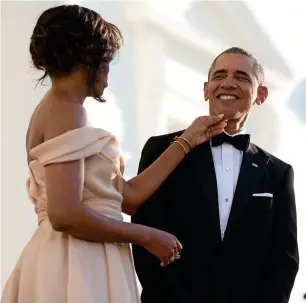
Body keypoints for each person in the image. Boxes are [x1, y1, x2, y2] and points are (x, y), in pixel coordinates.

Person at [1, 5, 227, 303]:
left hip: (86, 258)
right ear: (89, 58)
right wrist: (146, 237)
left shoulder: (60, 108)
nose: (109, 71)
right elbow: (65, 213)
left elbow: (129, 197)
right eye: (108, 59)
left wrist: (186, 140)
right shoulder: (67, 110)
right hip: (74, 264)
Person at [132, 47, 299, 303]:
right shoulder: (162, 150)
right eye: (220, 75)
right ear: (206, 88)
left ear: (261, 95)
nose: (228, 83)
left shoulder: (278, 172)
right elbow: (145, 235)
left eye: (242, 77)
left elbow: (283, 261)